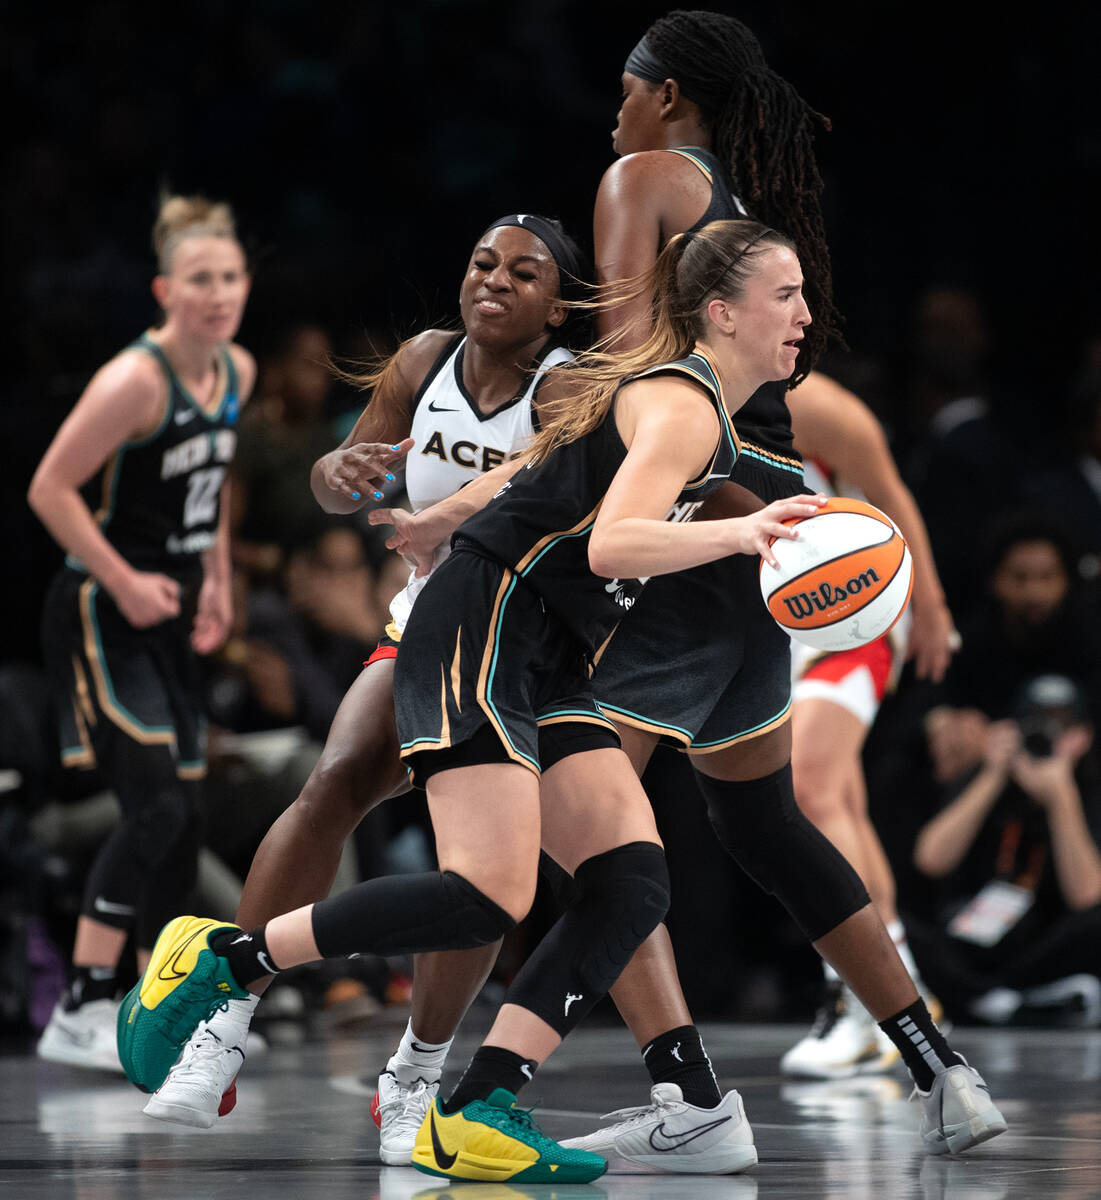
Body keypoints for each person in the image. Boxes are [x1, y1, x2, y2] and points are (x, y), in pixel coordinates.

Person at [343, 9, 1003, 1171]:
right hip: (766, 510)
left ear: (664, 96)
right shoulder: (742, 216)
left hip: (696, 525)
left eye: (624, 88)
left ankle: (545, 1092)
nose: (612, 110)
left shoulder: (641, 175)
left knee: (605, 851)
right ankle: (937, 1065)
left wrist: (466, 504)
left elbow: (621, 376)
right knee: (763, 822)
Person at [118, 218, 827, 1185]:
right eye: (784, 295)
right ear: (720, 312)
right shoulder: (684, 405)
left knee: (631, 883)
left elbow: (529, 470)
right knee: (489, 889)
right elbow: (617, 543)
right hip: (486, 622)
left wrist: (438, 515)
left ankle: (477, 1102)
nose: (803, 314)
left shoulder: (655, 399)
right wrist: (742, 542)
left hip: (552, 654)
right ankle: (232, 963)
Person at [139, 213, 590, 1138]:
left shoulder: (566, 386)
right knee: (334, 780)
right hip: (431, 627)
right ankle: (223, 1025)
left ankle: (416, 1075)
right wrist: (336, 472)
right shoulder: (423, 359)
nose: (494, 280)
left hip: (527, 646)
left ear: (556, 304)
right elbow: (339, 480)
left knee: (486, 876)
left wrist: (448, 519)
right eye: (481, 262)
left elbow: (531, 487)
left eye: (523, 272)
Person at [28, 193, 255, 1071]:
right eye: (201, 279)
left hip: (173, 610)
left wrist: (220, 580)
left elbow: (218, 488)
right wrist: (121, 581)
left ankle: (162, 1009)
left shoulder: (237, 370)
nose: (219, 292)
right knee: (153, 805)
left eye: (232, 276)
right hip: (101, 609)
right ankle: (81, 1005)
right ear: (165, 289)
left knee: (187, 815)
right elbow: (49, 488)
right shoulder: (134, 380)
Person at [778, 373, 954, 1078]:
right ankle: (898, 993)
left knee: (812, 789)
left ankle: (856, 997)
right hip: (776, 624)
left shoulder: (811, 402)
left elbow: (891, 492)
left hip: (853, 608)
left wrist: (933, 606)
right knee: (840, 801)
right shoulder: (680, 393)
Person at [911, 674, 1101, 1028]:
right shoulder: (986, 775)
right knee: (896, 924)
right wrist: (993, 775)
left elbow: (1088, 897)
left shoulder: (1087, 790)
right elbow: (930, 859)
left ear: (1084, 737)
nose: (1048, 736)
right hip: (971, 941)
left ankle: (985, 999)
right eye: (1037, 723)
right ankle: (1007, 1001)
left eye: (1062, 727)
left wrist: (1061, 798)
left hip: (1044, 947)